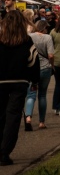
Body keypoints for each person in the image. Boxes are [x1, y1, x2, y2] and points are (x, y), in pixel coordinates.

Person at [0, 11, 40, 166]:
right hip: (19, 82)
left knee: (0, 115)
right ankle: (5, 152)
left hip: (1, 81)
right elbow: (32, 62)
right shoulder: (27, 41)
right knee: (13, 116)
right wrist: (34, 80)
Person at [25, 20, 54, 131]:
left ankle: (28, 117)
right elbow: (51, 55)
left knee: (31, 94)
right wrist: (52, 65)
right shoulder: (47, 38)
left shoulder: (28, 36)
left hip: (32, 69)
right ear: (44, 28)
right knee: (42, 95)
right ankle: (41, 122)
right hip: (45, 68)